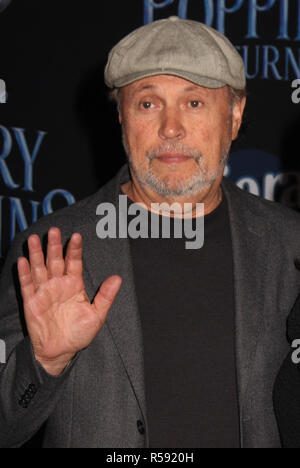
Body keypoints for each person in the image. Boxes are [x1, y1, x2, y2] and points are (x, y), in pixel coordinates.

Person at [0, 16, 300, 449]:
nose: (170, 128)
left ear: (234, 116)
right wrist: (45, 361)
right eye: (147, 103)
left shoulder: (289, 244)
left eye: (194, 103)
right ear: (121, 117)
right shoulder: (52, 248)